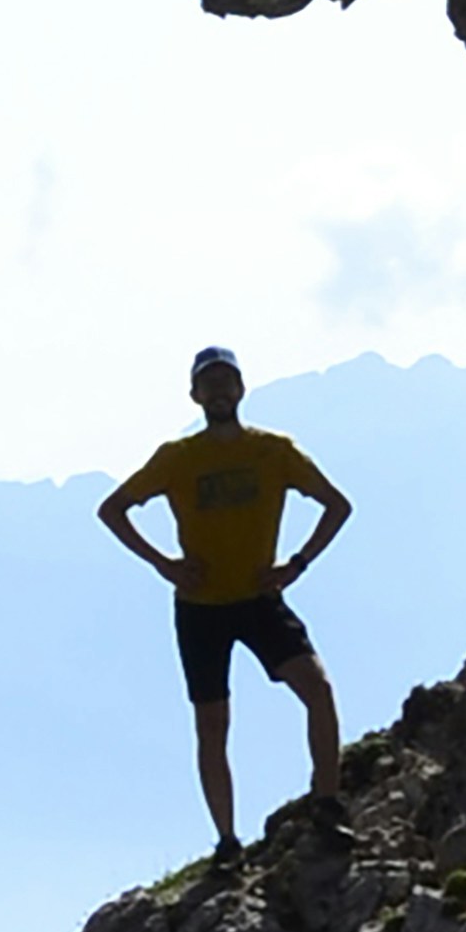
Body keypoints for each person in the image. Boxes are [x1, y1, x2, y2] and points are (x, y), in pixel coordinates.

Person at [99, 342, 355, 854]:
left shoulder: (273, 451)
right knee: (212, 723)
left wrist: (297, 564)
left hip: (260, 599)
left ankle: (326, 802)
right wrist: (164, 563)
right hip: (200, 610)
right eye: (209, 382)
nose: (218, 390)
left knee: (318, 689)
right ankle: (227, 841)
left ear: (241, 388)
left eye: (226, 380)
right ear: (194, 395)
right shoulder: (178, 458)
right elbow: (113, 509)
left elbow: (337, 505)